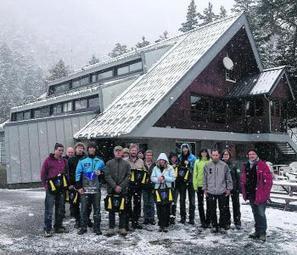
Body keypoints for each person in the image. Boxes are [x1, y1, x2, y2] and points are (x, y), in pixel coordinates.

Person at [241, 149, 273, 242]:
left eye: (253, 154)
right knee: (255, 213)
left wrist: (265, 193)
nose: (251, 155)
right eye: (250, 154)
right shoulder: (246, 165)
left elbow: (269, 181)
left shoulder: (262, 165)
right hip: (251, 193)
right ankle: (257, 231)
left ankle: (262, 233)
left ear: (256, 155)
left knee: (261, 214)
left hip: (260, 194)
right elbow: (244, 179)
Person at [75, 142, 105, 235]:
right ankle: (83, 227)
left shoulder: (100, 160)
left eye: (93, 148)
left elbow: (105, 172)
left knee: (97, 209)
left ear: (95, 149)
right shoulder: (82, 160)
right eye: (90, 148)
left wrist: (101, 173)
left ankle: (97, 228)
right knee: (84, 209)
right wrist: (79, 187)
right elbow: (78, 174)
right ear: (87, 149)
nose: (92, 149)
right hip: (85, 189)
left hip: (96, 189)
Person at [40, 143, 69, 237]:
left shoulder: (64, 161)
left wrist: (66, 184)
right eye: (59, 150)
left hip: (60, 188)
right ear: (55, 150)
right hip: (51, 188)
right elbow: (43, 173)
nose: (61, 152)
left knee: (60, 208)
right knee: (49, 209)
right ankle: (47, 229)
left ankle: (58, 226)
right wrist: (45, 185)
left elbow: (66, 173)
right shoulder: (48, 160)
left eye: (62, 150)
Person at [203, 149, 233, 233]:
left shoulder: (224, 165)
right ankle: (214, 225)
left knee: (222, 209)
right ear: (211, 155)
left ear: (219, 155)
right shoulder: (207, 165)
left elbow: (228, 178)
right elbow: (204, 178)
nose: (215, 157)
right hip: (211, 191)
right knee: (212, 210)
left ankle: (222, 225)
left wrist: (229, 188)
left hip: (222, 191)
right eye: (213, 155)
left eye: (216, 155)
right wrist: (205, 188)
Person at [105, 146, 131, 237]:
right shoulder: (109, 163)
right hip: (112, 190)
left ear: (122, 152)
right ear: (114, 152)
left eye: (120, 151)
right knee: (111, 209)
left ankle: (122, 227)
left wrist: (121, 186)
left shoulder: (127, 164)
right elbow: (107, 176)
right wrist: (114, 186)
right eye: (116, 151)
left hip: (122, 190)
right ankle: (111, 227)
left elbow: (128, 176)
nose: (118, 152)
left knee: (122, 209)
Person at [151, 153, 176, 232]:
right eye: (160, 160)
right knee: (159, 207)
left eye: (163, 160)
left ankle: (165, 224)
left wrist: (165, 178)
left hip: (167, 189)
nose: (161, 161)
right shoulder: (155, 168)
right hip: (158, 190)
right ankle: (160, 224)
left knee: (167, 207)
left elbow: (173, 178)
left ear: (165, 161)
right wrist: (158, 179)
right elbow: (152, 177)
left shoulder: (170, 168)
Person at [177, 144, 197, 224]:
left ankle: (191, 218)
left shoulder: (193, 158)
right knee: (182, 200)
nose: (185, 151)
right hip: (182, 182)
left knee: (192, 201)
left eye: (186, 150)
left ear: (188, 150)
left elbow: (195, 169)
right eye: (183, 150)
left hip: (191, 181)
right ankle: (183, 217)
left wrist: (189, 164)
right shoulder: (179, 157)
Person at [68, 142, 86, 228]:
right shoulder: (71, 160)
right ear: (75, 149)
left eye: (81, 147)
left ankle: (86, 220)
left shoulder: (86, 159)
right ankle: (78, 220)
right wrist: (70, 184)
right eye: (78, 147)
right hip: (74, 186)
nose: (80, 149)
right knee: (75, 204)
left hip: (85, 185)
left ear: (83, 149)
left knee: (86, 204)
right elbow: (68, 173)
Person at [221, 149, 241, 230]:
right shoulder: (220, 164)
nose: (225, 156)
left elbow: (238, 177)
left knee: (236, 205)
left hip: (234, 188)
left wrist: (238, 188)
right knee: (225, 206)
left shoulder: (234, 164)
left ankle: (237, 222)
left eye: (227, 155)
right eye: (224, 155)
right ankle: (227, 222)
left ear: (229, 156)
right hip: (224, 189)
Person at [127, 143, 145, 229]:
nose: (133, 152)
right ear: (129, 151)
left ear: (137, 151)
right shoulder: (125, 161)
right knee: (127, 203)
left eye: (135, 150)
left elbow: (144, 173)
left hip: (138, 186)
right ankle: (128, 219)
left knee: (137, 204)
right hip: (128, 185)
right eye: (132, 150)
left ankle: (135, 221)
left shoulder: (141, 161)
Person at [193, 149, 211, 228]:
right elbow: (195, 173)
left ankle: (208, 220)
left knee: (209, 204)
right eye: (202, 152)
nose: (204, 154)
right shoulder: (197, 161)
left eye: (205, 152)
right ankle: (202, 221)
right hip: (199, 185)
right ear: (200, 153)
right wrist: (195, 185)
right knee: (200, 204)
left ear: (207, 153)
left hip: (208, 186)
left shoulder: (210, 161)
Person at [142, 150, 156, 225]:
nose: (149, 156)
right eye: (147, 155)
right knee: (145, 203)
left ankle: (152, 218)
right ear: (145, 156)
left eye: (150, 155)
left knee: (151, 203)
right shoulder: (142, 164)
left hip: (152, 186)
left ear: (152, 156)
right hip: (144, 186)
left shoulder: (155, 165)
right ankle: (146, 218)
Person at [168, 152, 179, 225]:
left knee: (174, 203)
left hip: (176, 187)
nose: (174, 159)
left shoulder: (178, 165)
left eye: (175, 157)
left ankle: (173, 218)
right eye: (172, 157)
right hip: (169, 186)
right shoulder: (168, 166)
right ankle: (168, 216)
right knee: (168, 202)